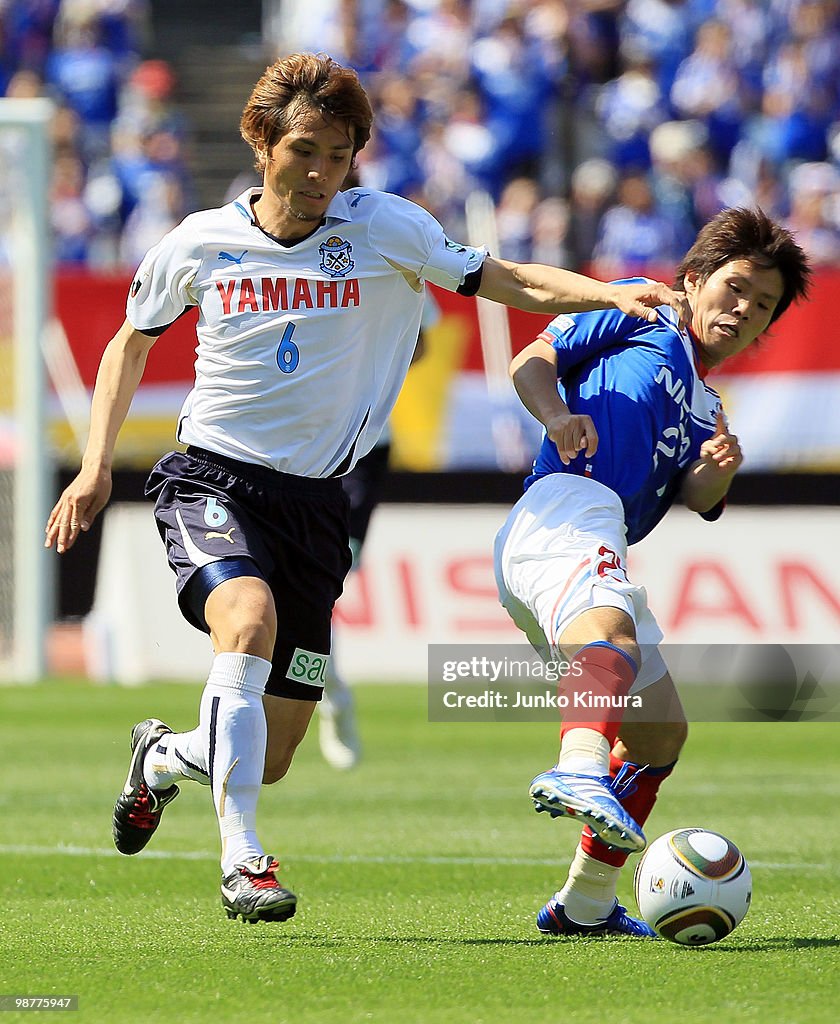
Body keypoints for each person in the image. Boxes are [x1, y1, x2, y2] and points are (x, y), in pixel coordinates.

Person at [45, 52, 688, 925]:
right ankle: (245, 860)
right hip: (212, 477)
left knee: (269, 752)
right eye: (304, 149)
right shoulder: (197, 241)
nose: (319, 173)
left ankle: (161, 761)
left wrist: (607, 293)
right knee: (247, 624)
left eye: (339, 155)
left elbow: (506, 278)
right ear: (262, 139)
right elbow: (129, 343)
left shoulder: (386, 227)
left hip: (316, 504)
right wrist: (93, 465)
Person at [493, 206, 811, 937]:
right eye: (734, 288)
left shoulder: (708, 405)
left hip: (598, 531)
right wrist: (553, 418)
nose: (744, 309)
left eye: (762, 305)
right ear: (694, 280)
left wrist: (716, 471)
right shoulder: (640, 307)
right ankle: (578, 764)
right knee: (610, 633)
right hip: (564, 507)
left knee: (661, 733)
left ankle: (586, 904)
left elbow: (697, 498)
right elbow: (530, 359)